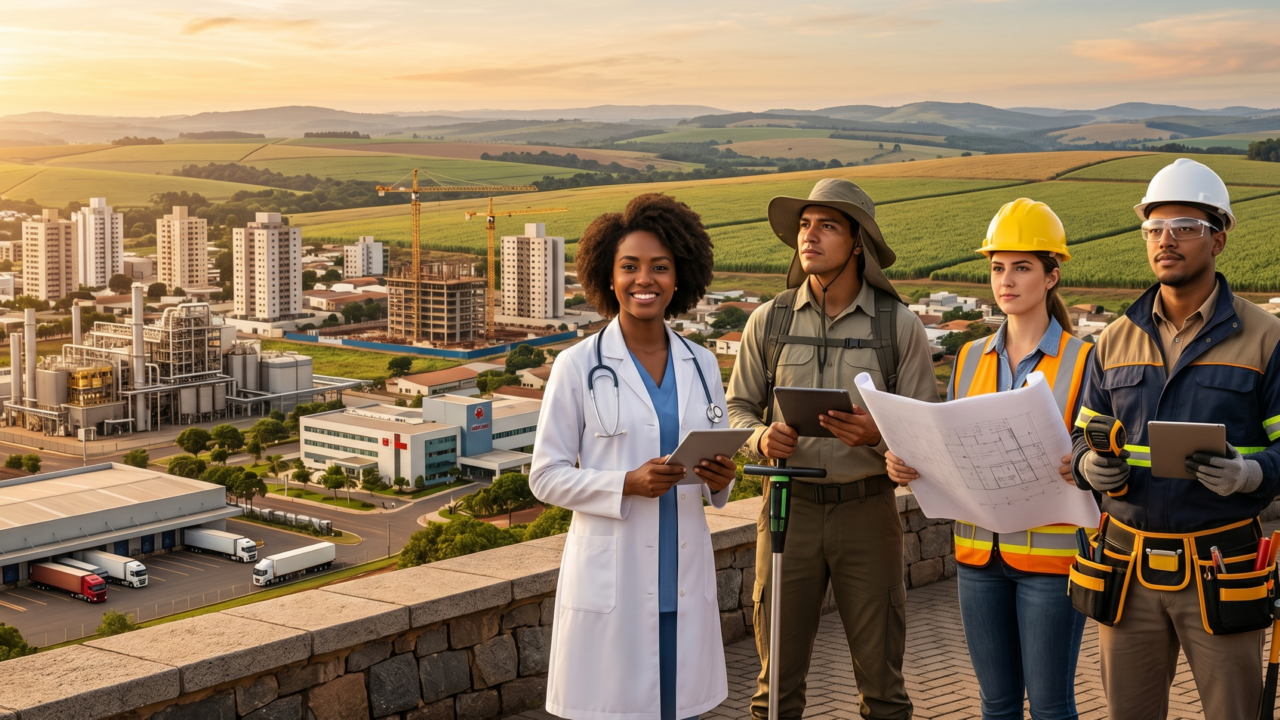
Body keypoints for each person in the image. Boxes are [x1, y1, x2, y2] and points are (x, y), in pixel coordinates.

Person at [1071, 158, 1280, 720]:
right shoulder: (1112, 341)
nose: (1166, 240)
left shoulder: (1265, 338)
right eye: (1154, 229)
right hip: (1127, 566)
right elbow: (1082, 432)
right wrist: (1090, 462)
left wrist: (1252, 472)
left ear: (1219, 238)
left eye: (1185, 227)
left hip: (1222, 565)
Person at [727, 178, 938, 720]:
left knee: (884, 692)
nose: (809, 236)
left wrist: (879, 434)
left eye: (827, 225)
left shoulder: (899, 327)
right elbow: (736, 411)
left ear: (858, 241)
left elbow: (927, 434)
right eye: (804, 225)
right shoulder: (768, 321)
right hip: (784, 515)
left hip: (868, 513)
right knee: (774, 693)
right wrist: (760, 437)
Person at [885, 199, 1094, 720]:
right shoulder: (968, 358)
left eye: (1022, 267)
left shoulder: (1085, 360)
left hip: (1053, 562)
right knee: (996, 705)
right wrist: (910, 463)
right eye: (998, 267)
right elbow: (953, 449)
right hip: (978, 558)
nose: (1006, 279)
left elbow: (1100, 458)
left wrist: (1084, 461)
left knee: (1050, 707)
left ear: (1052, 276)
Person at [530, 193, 737, 720]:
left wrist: (720, 478)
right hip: (614, 584)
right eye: (630, 267)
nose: (644, 280)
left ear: (679, 277)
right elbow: (546, 477)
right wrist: (625, 483)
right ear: (608, 276)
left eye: (659, 268)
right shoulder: (577, 366)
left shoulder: (703, 364)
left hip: (683, 581)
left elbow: (718, 476)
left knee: (680, 709)